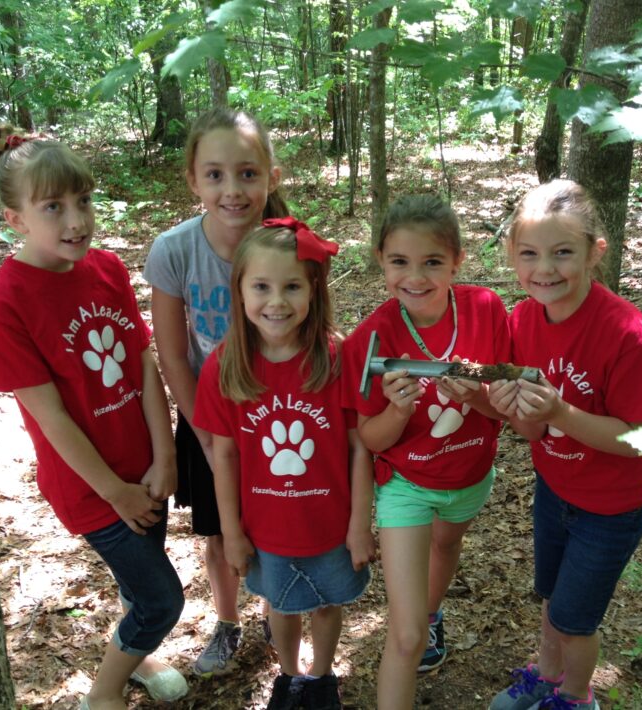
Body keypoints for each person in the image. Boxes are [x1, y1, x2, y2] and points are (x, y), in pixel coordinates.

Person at [0, 129, 186, 710]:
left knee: (136, 582)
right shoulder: (3, 306)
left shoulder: (107, 268)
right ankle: (104, 692)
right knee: (162, 601)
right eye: (53, 207)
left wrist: (164, 454)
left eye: (83, 200)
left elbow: (142, 362)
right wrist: (116, 492)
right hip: (92, 487)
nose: (76, 220)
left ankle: (141, 658)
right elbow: (52, 420)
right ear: (15, 219)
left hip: (143, 466)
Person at [487, 180, 642, 710]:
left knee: (574, 619)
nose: (544, 269)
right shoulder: (522, 319)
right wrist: (509, 407)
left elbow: (640, 440)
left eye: (562, 252)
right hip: (555, 487)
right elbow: (533, 431)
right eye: (529, 254)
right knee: (551, 597)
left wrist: (560, 412)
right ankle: (546, 675)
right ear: (512, 256)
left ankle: (575, 696)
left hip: (612, 506)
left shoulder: (629, 336)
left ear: (594, 252)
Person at [192, 218, 375, 710]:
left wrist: (360, 524)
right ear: (240, 290)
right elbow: (224, 455)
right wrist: (231, 532)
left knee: (327, 603)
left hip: (330, 523)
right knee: (282, 605)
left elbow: (360, 447)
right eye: (262, 287)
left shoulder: (336, 358)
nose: (277, 301)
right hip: (266, 527)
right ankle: (290, 678)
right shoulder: (225, 365)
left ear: (314, 290)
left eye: (292, 286)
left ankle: (322, 678)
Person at [342, 195, 510, 709]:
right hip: (406, 486)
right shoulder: (370, 339)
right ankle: (419, 626)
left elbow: (505, 410)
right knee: (405, 634)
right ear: (381, 260)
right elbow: (370, 440)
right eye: (400, 261)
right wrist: (397, 411)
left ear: (457, 261)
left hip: (470, 474)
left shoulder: (486, 309)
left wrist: (477, 396)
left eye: (432, 262)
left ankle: (433, 612)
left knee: (447, 543)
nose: (415, 277)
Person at [143, 107, 288, 676]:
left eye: (248, 174)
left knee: (277, 515)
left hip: (279, 412)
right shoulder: (174, 250)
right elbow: (173, 353)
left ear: (271, 176)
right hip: (207, 411)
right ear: (194, 180)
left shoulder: (289, 243)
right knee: (219, 527)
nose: (233, 190)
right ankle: (227, 621)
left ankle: (278, 612)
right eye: (216, 174)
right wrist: (203, 430)